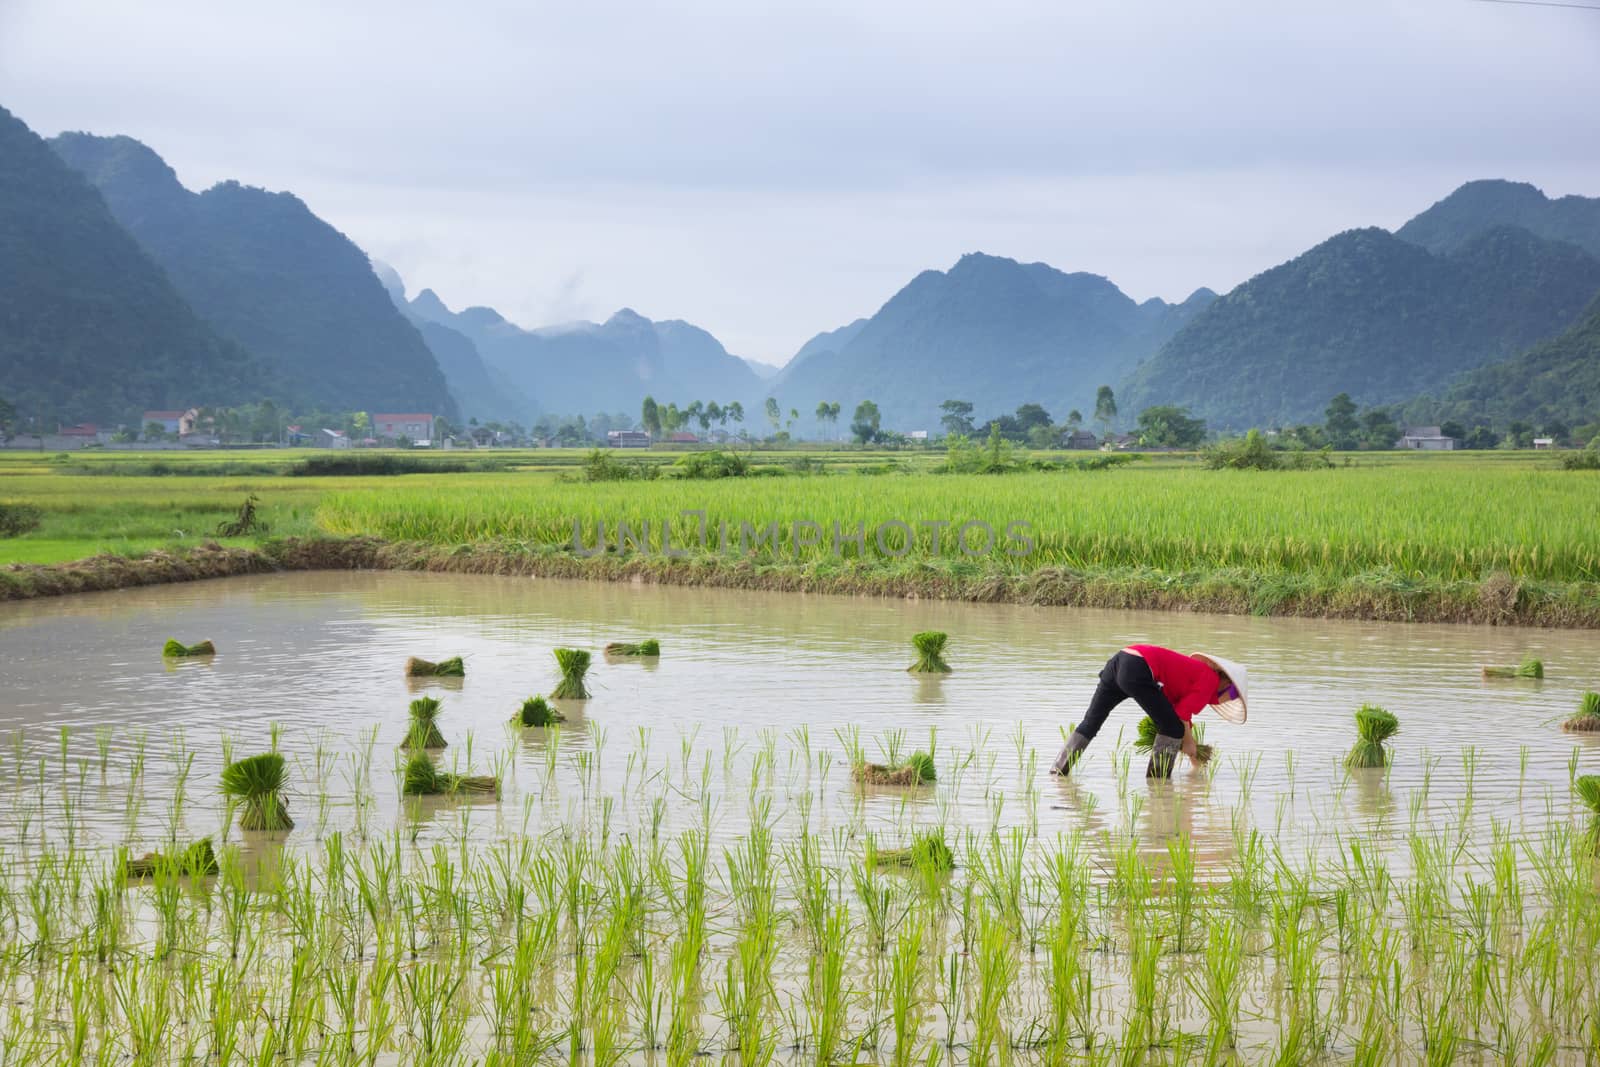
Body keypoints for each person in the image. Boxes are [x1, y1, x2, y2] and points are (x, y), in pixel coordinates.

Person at [1051, 645, 1248, 779]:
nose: (1230, 698)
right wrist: (1187, 743)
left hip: (1119, 661)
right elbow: (1180, 719)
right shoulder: (1210, 679)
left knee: (1091, 722)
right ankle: (1158, 785)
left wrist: (1189, 745)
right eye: (1232, 692)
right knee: (1172, 729)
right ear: (1225, 682)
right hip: (1138, 668)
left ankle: (1058, 771)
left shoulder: (1196, 675)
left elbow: (1175, 712)